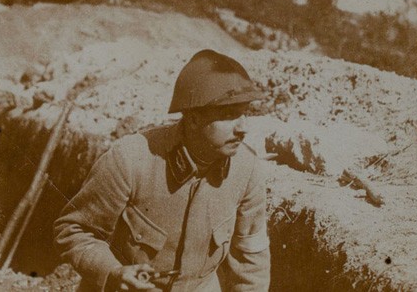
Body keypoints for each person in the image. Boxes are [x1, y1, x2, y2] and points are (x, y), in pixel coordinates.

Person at [54, 49, 271, 291]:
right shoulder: (132, 159)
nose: (243, 128)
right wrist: (114, 273)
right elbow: (74, 229)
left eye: (245, 113)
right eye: (229, 115)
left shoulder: (247, 170)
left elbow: (250, 260)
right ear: (193, 118)